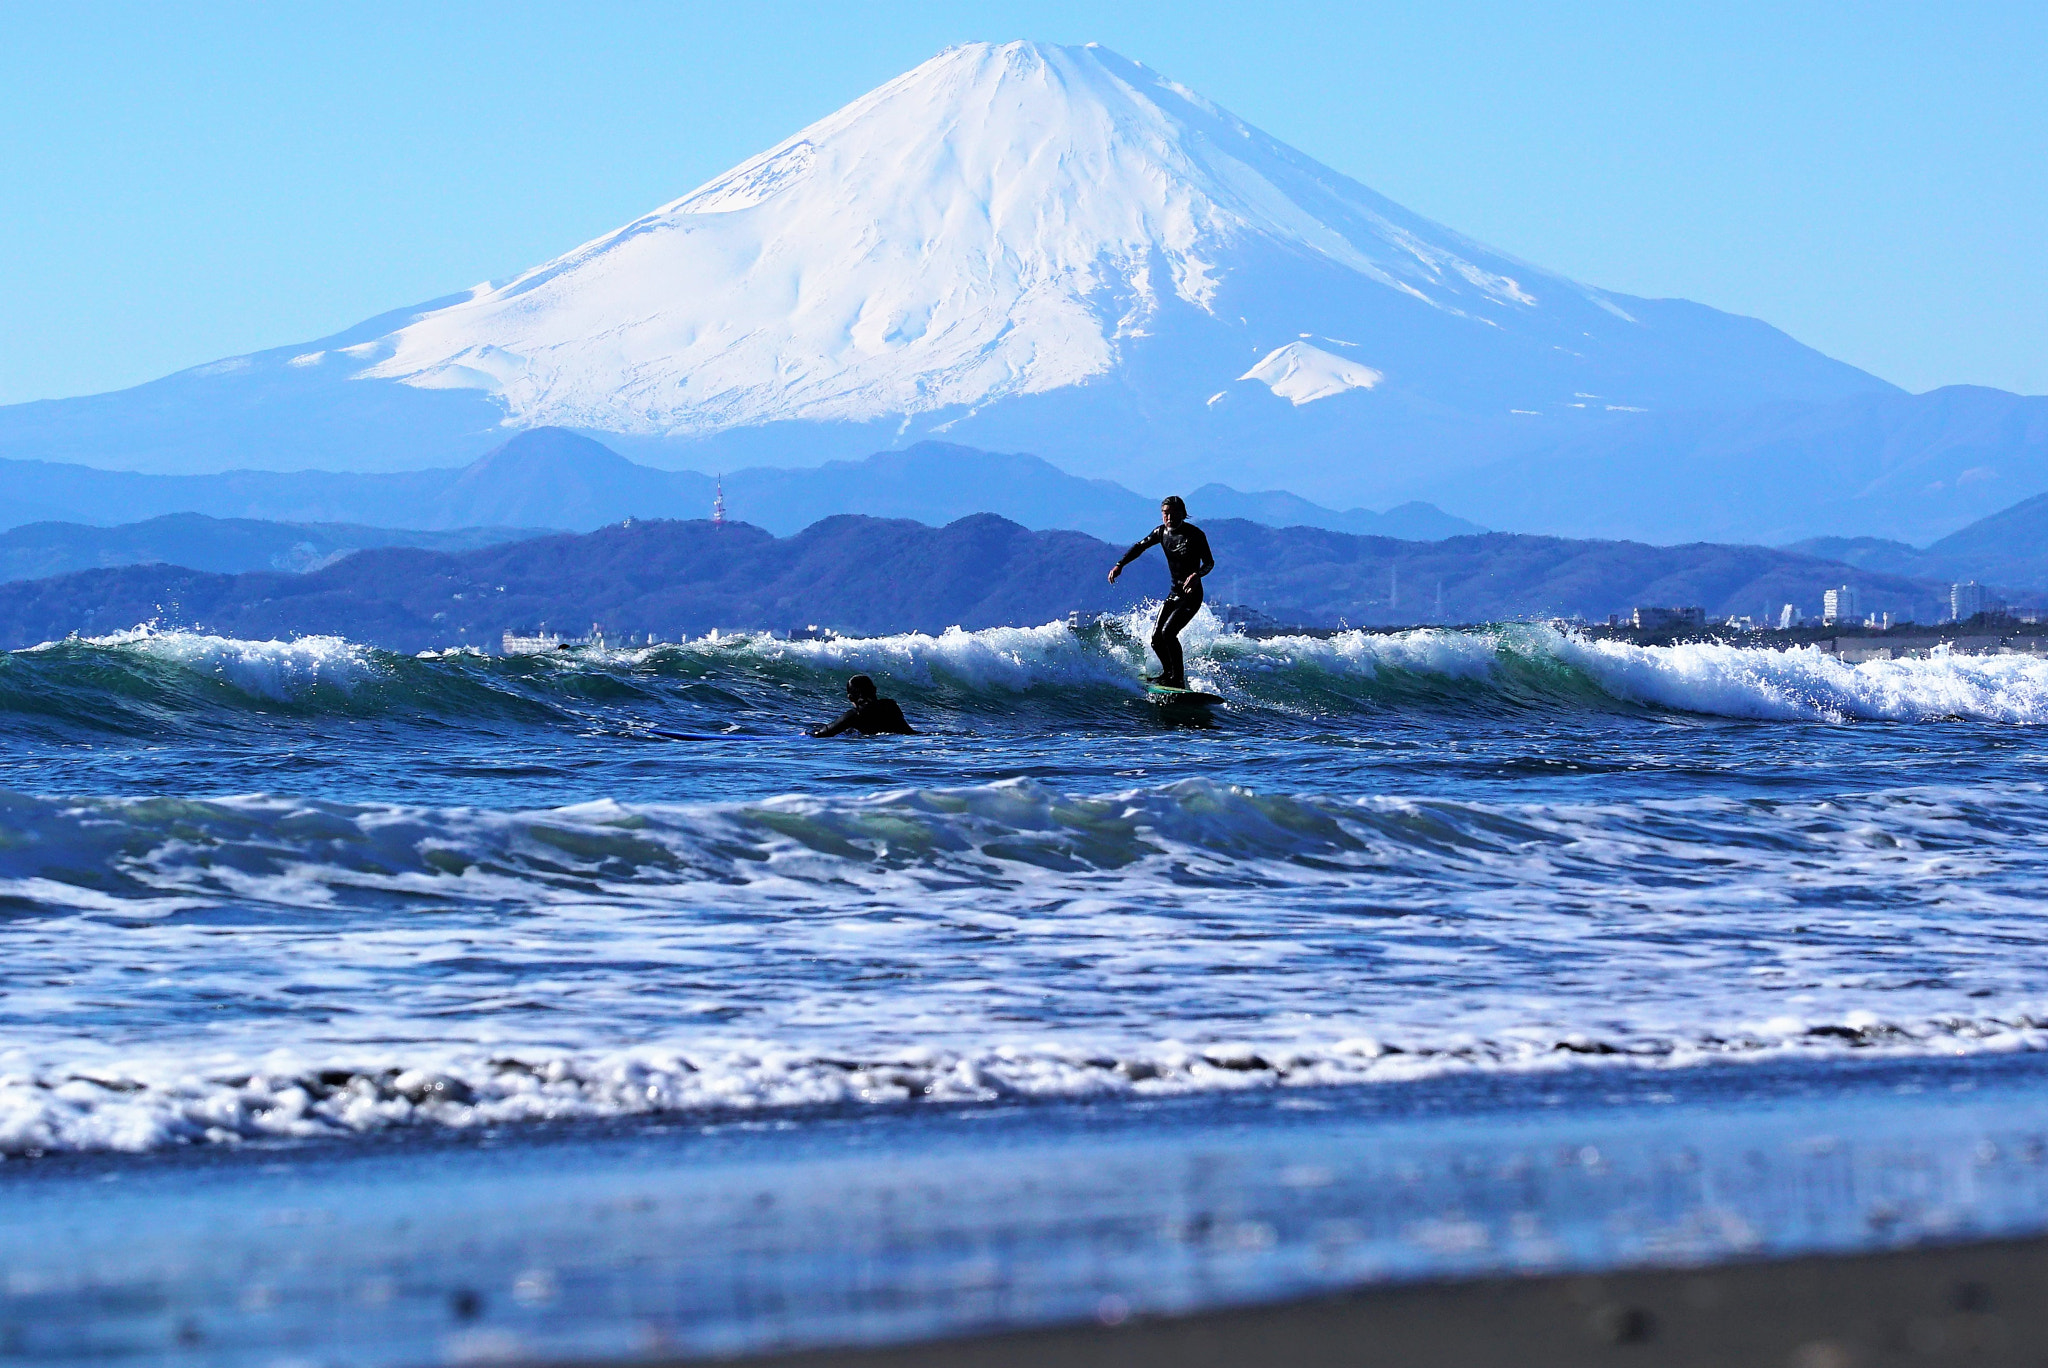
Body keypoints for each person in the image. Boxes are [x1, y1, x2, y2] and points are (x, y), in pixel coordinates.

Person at [1107, 495, 1214, 690]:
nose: (1169, 517)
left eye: (1174, 513)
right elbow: (1140, 547)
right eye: (1166, 513)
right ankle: (1169, 674)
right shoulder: (1161, 532)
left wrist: (1197, 575)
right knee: (1156, 639)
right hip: (1174, 594)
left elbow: (1209, 563)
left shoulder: (1195, 534)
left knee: (1169, 633)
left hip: (1192, 595)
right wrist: (1120, 564)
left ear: (1183, 513)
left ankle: (1178, 679)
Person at [811, 674, 915, 737]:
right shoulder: (891, 705)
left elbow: (823, 734)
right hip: (912, 736)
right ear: (874, 690)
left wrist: (809, 732)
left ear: (850, 698)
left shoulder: (855, 715)